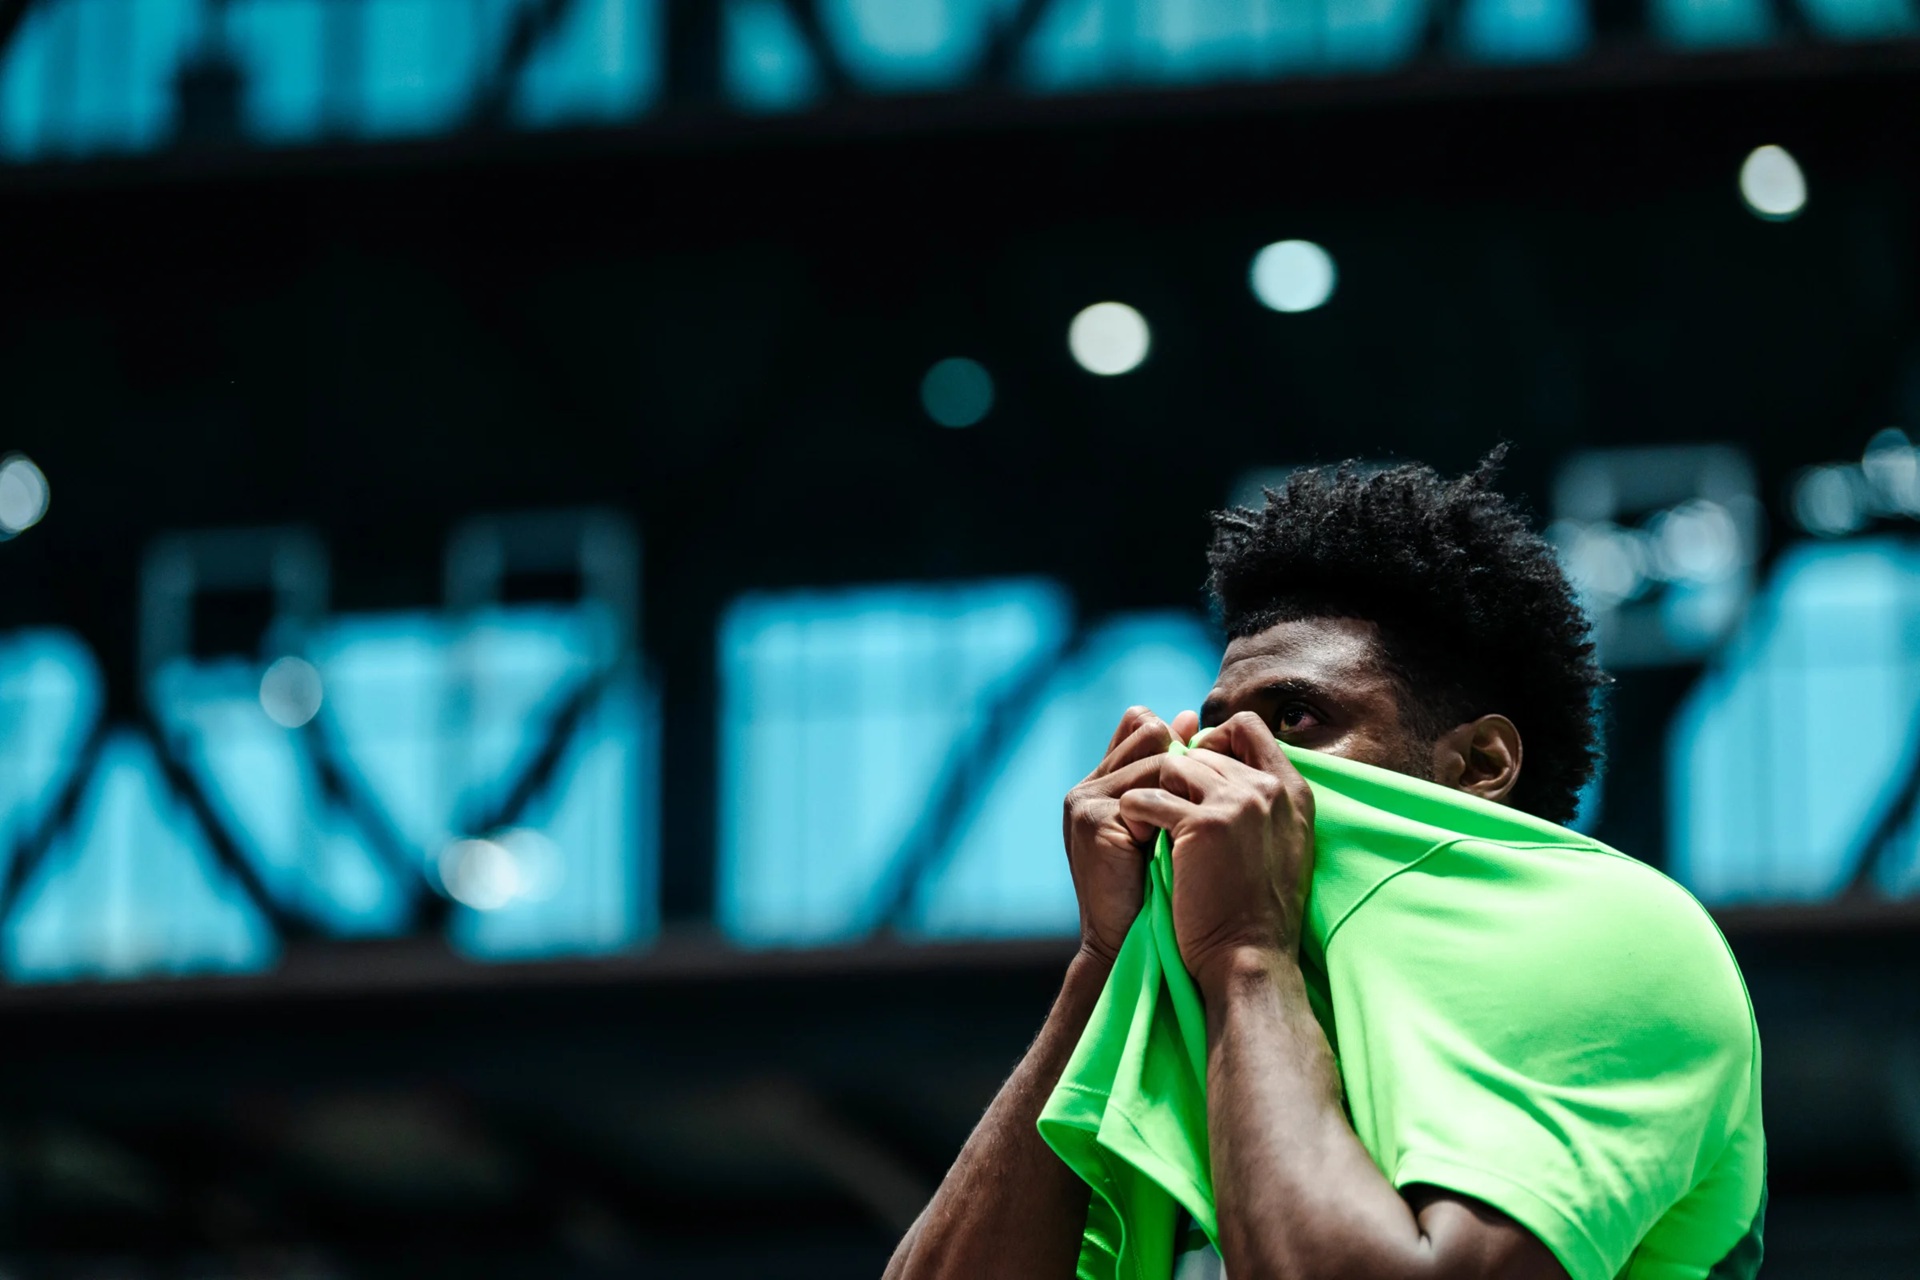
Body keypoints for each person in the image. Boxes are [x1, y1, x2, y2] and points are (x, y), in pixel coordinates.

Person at [882, 454, 1764, 1280]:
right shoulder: (1188, 989)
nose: (1217, 767)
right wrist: (1104, 962)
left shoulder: (1618, 931)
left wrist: (1247, 956)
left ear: (1478, 765)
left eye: (1296, 719)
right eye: (1211, 731)